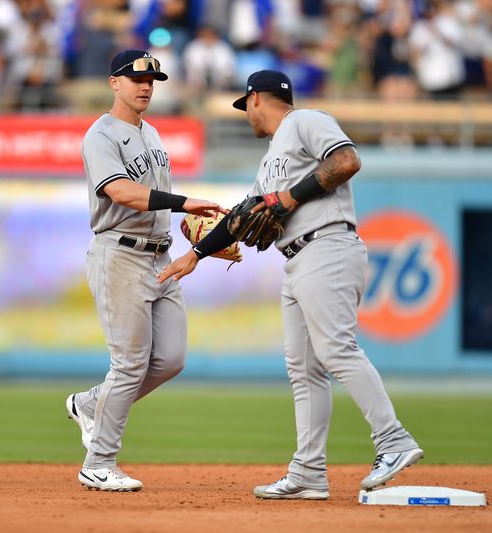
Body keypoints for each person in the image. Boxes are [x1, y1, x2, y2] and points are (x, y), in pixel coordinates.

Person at [157, 70, 423, 500]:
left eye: (247, 107)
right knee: (303, 368)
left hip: (328, 245)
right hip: (297, 260)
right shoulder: (269, 160)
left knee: (336, 348)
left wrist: (290, 198)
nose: (247, 117)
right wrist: (197, 254)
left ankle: (394, 441)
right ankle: (308, 473)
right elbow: (247, 213)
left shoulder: (306, 121)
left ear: (257, 98)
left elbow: (347, 161)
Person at [66, 49, 226, 492]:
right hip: (119, 254)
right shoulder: (101, 134)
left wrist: (203, 236)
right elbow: (119, 191)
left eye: (151, 80)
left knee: (170, 358)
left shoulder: (152, 133)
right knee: (131, 362)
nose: (145, 86)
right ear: (113, 82)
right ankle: (99, 461)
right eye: (136, 78)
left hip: (159, 255)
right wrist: (183, 203)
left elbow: (155, 203)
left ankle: (89, 403)